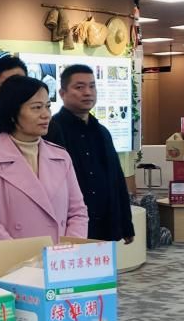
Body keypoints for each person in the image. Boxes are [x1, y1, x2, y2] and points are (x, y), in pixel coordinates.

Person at [0, 75, 89, 282]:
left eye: (47, 106)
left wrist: (67, 251)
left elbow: (78, 212)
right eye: (36, 108)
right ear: (13, 113)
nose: (46, 114)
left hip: (58, 265)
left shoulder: (61, 156)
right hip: (10, 267)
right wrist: (24, 259)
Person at [45, 64, 136, 245]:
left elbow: (116, 179)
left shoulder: (102, 132)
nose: (88, 92)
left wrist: (126, 224)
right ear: (62, 93)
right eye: (79, 87)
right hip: (68, 228)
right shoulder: (51, 130)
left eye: (92, 86)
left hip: (104, 226)